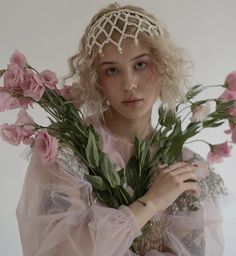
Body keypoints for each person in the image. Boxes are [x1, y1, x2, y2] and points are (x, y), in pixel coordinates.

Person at [16, 3, 225, 256]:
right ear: (96, 79)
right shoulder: (65, 152)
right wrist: (152, 202)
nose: (129, 84)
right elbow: (61, 251)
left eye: (140, 64)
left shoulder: (184, 165)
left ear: (162, 65)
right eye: (112, 70)